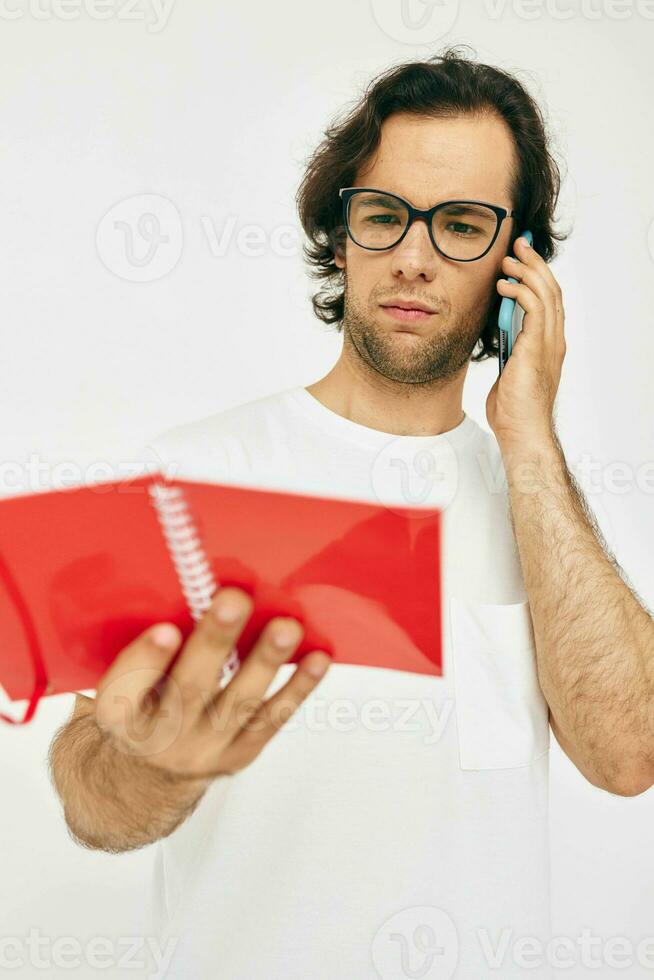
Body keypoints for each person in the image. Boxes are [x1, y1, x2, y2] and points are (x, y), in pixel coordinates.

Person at [48, 46, 654, 979]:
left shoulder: (540, 508)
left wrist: (528, 436)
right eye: (384, 216)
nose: (413, 258)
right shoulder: (188, 475)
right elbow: (91, 801)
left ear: (516, 263)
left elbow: (629, 755)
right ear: (343, 235)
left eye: (460, 224)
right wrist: (157, 766)